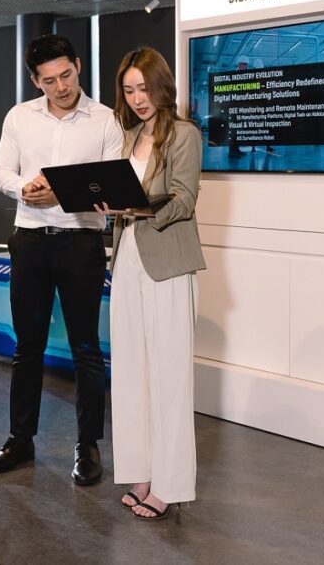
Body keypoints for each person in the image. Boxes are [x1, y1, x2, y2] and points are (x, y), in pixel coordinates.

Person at [0, 34, 123, 486]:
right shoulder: (19, 116)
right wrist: (24, 187)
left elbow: (111, 183)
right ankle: (20, 440)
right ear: (35, 80)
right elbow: (1, 170)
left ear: (78, 66)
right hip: (29, 242)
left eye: (66, 75)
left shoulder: (105, 120)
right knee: (27, 347)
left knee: (86, 348)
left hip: (82, 243)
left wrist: (61, 193)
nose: (61, 87)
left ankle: (88, 446)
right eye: (49, 80)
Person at [100, 46, 205, 520]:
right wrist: (110, 207)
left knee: (169, 376)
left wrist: (136, 209)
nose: (137, 98)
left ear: (161, 85)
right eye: (128, 90)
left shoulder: (184, 134)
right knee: (130, 373)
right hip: (127, 260)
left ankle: (169, 484)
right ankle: (141, 474)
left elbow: (184, 200)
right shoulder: (128, 136)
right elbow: (118, 199)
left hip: (168, 262)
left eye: (143, 88)